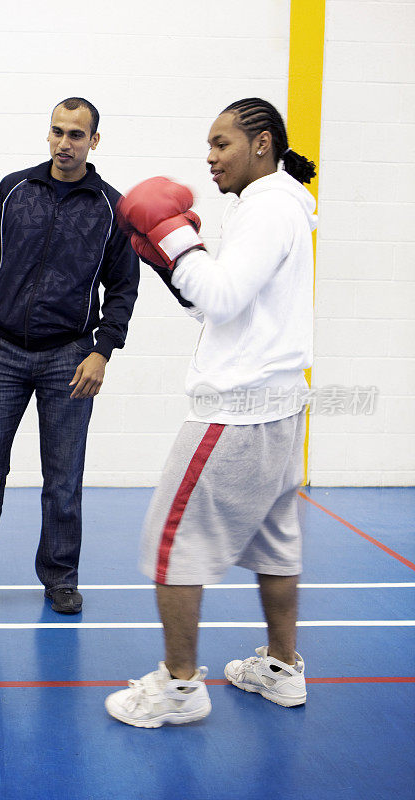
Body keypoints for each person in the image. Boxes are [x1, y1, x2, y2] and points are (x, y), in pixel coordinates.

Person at [105, 97, 318, 727]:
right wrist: (174, 265)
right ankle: (281, 668)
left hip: (235, 413)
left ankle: (177, 688)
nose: (210, 156)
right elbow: (222, 307)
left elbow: (220, 300)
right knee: (277, 542)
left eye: (221, 143)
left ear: (261, 144)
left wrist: (173, 237)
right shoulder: (278, 205)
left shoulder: (267, 208)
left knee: (168, 543)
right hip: (278, 410)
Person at [0, 98, 139, 615]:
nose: (64, 142)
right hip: (1, 351)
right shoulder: (12, 190)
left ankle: (60, 577)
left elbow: (123, 288)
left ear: (94, 141)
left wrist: (102, 351)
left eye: (76, 134)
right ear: (47, 135)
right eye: (57, 131)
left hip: (70, 358)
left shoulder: (112, 207)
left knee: (63, 479)